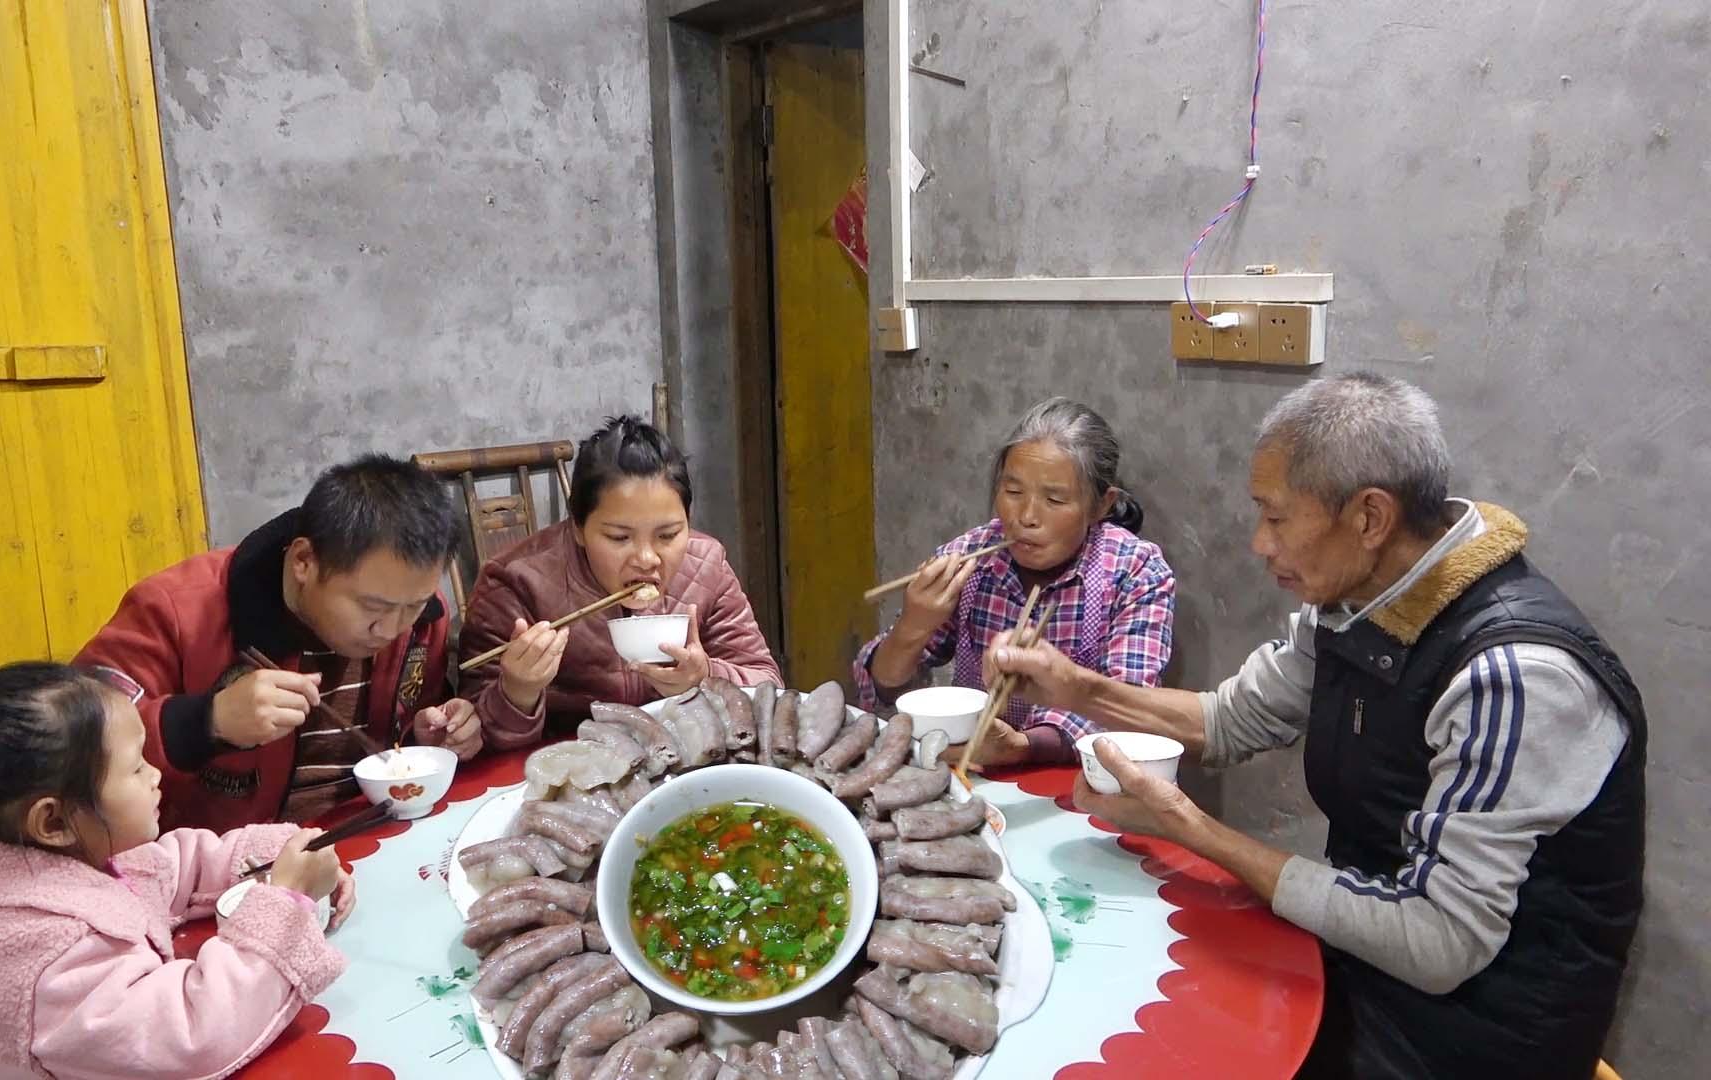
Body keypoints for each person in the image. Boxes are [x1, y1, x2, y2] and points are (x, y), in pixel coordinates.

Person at [987, 374, 1644, 1079]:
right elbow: (1235, 719)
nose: (1258, 544)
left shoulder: (1516, 674)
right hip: (1361, 964)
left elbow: (1439, 940)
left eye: (1276, 517)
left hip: (1475, 1032)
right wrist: (1073, 684)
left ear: (1369, 518)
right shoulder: (1359, 602)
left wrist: (1192, 828)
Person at [0, 656, 351, 1080]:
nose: (155, 774)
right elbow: (193, 1037)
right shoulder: (47, 956)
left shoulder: (58, 852)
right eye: (135, 768)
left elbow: (170, 869)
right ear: (53, 820)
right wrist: (285, 905)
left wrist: (277, 855)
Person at [75, 454, 478, 831]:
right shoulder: (176, 611)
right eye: (372, 606)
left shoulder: (424, 618)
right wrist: (207, 722)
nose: (391, 629)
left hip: (368, 835)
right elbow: (71, 744)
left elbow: (399, 737)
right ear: (304, 561)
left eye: (412, 605)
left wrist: (428, 737)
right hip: (220, 871)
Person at [853, 398, 1176, 767]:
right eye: (1013, 492)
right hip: (973, 774)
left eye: (1054, 498)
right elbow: (883, 692)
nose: (1026, 517)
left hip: (1082, 780)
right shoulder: (970, 557)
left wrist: (1022, 746)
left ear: (1102, 505)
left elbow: (1130, 706)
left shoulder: (1135, 571)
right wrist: (913, 625)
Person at [461, 416, 781, 748]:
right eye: (619, 537)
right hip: (570, 771)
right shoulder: (516, 581)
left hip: (683, 758)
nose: (647, 558)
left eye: (668, 534)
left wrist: (705, 678)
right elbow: (471, 735)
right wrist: (517, 693)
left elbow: (768, 685)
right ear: (578, 529)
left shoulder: (705, 566)